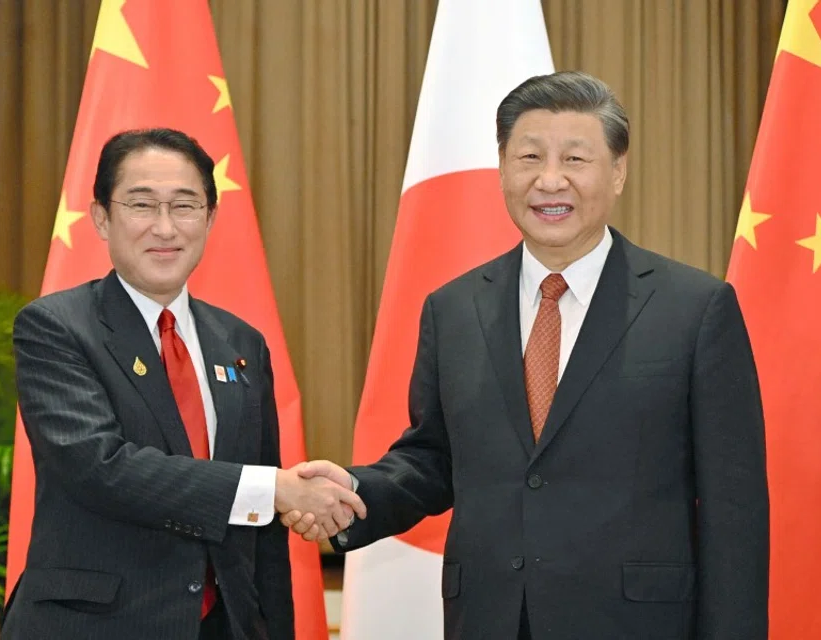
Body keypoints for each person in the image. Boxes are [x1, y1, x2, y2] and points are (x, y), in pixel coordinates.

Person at [284, 71, 769, 639]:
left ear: (617, 172)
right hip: (491, 619)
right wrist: (351, 495)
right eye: (529, 156)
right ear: (502, 170)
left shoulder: (695, 308)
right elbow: (434, 460)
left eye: (576, 159)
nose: (550, 179)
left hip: (637, 622)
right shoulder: (454, 308)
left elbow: (733, 511)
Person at [1, 128, 364, 640]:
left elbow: (262, 541)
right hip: (93, 626)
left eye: (186, 205)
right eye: (142, 204)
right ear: (102, 218)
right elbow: (100, 468)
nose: (165, 228)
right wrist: (273, 488)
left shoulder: (240, 342)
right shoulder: (55, 327)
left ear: (211, 218)